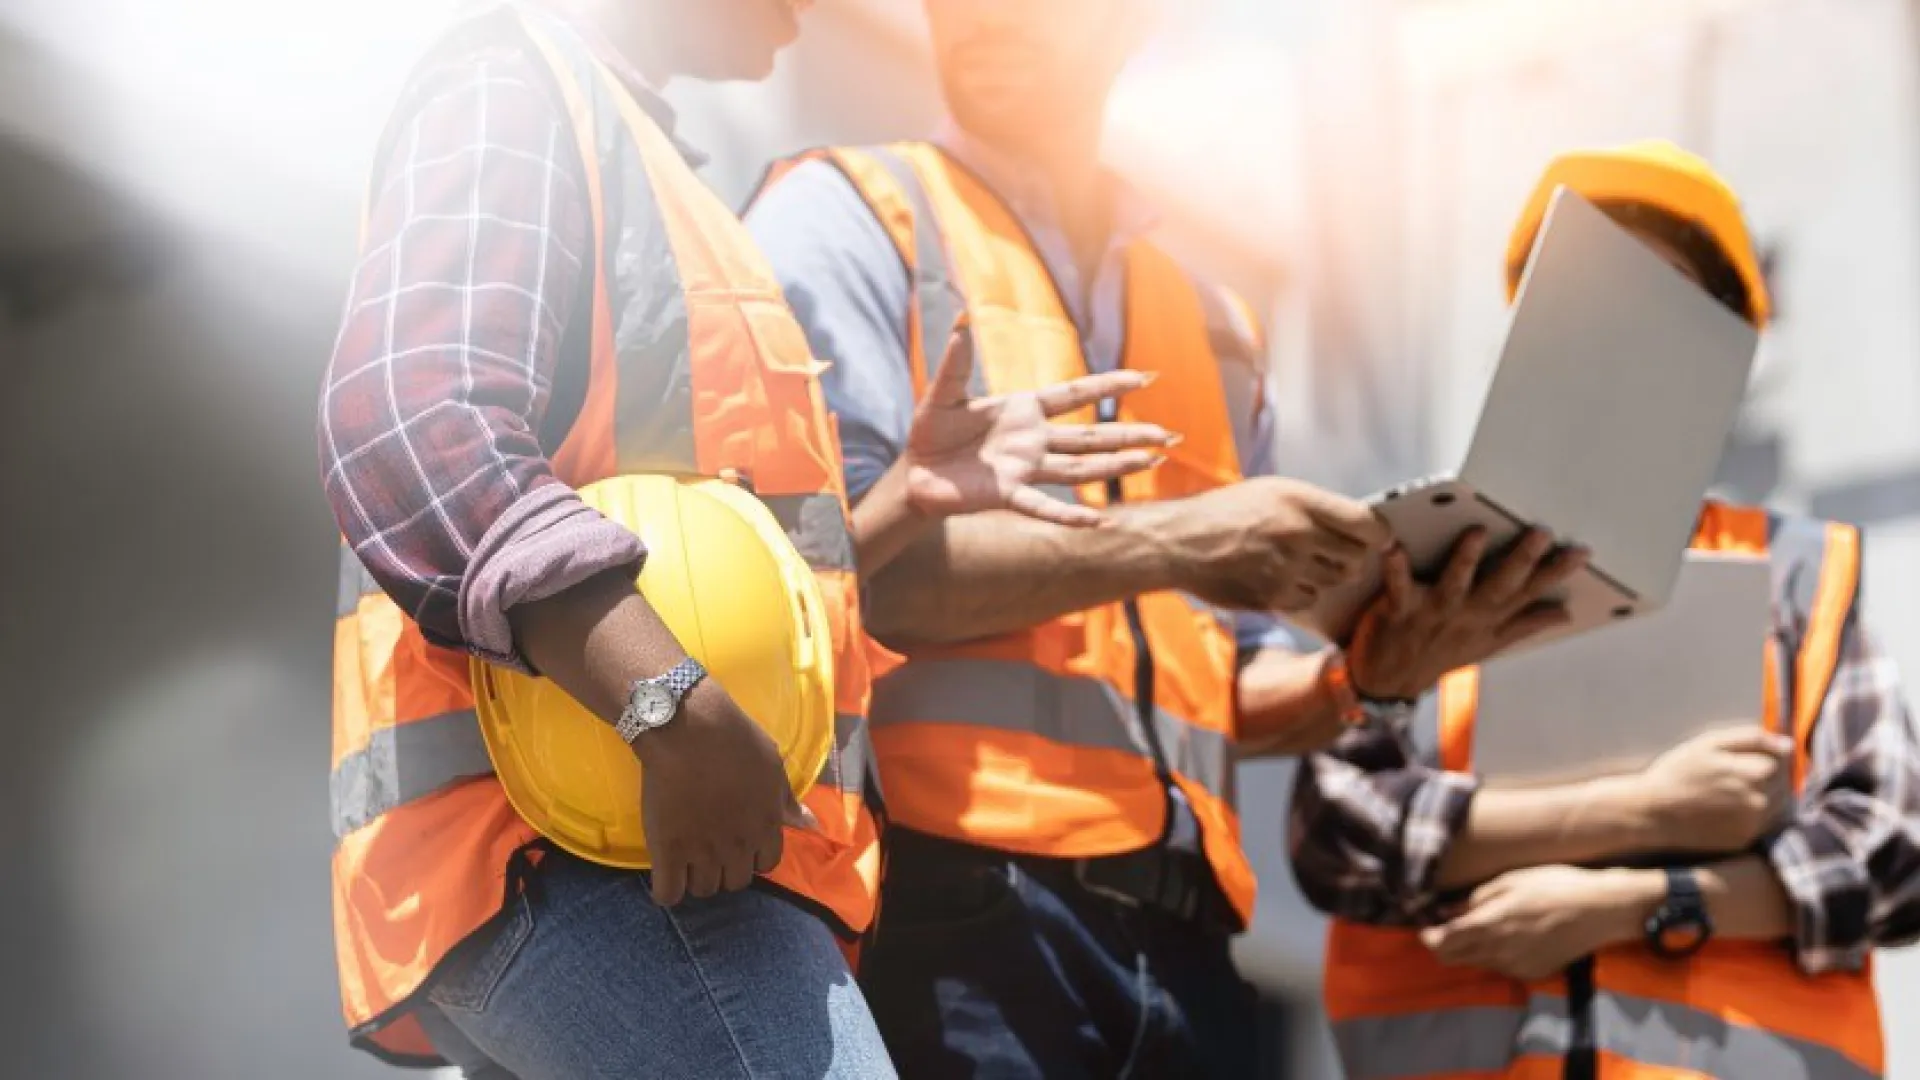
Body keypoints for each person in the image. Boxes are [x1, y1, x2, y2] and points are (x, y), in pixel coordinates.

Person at [317, 0, 1178, 1076]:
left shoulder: (651, 164)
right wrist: (665, 704)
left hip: (644, 846)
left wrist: (902, 500)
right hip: (595, 848)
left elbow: (709, 563)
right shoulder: (515, 86)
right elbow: (410, 418)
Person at [745, 3, 1580, 1075]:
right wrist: (1177, 541)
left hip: (1186, 951)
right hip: (957, 919)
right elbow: (844, 580)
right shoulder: (850, 217)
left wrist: (1368, 680)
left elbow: (1216, 683)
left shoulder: (1213, 324)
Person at [1290, 140, 1920, 1080]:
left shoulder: (1798, 574)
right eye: (1588, 294)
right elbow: (1337, 835)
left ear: (1723, 347)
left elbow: (1889, 855)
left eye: (1661, 301)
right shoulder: (1424, 558)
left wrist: (1628, 905)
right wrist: (1648, 809)